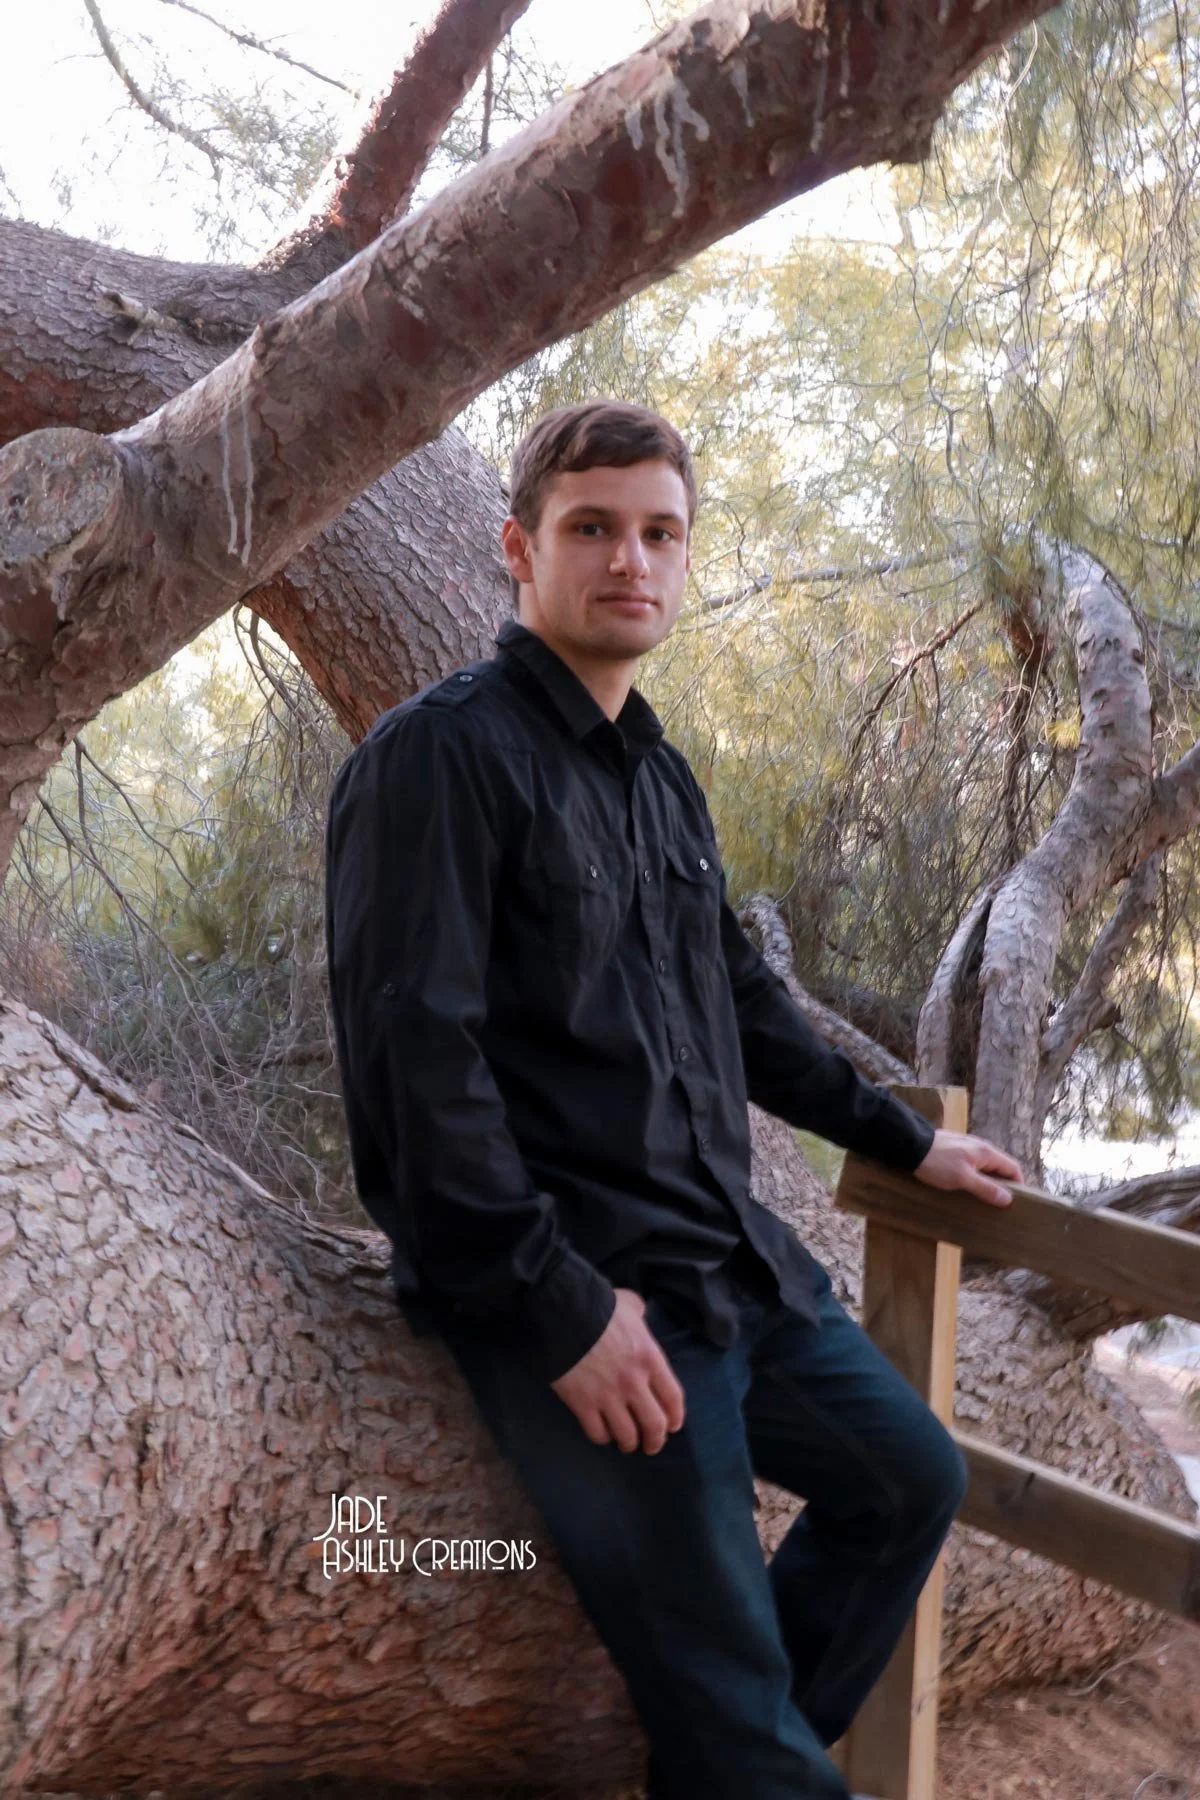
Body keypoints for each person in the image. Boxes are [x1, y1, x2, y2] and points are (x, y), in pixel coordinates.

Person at [323, 400, 1023, 1800]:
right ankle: (741, 1757)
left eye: (660, 533)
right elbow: (419, 1071)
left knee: (910, 1484)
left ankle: (726, 1759)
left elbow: (745, 1012)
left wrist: (907, 1138)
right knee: (746, 1728)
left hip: (733, 1269)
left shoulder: (662, 782)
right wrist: (560, 1312)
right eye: (592, 529)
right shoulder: (439, 758)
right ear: (519, 551)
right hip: (587, 1298)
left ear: (687, 559)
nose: (629, 560)